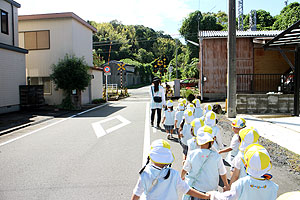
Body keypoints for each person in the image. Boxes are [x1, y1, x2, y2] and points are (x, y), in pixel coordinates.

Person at [131, 139, 211, 200]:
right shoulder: (174, 174)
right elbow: (187, 190)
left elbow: (136, 194)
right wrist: (205, 196)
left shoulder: (145, 173)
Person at [209, 144, 278, 200]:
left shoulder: (241, 183)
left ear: (246, 165)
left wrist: (213, 195)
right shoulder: (273, 187)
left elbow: (228, 197)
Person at [181, 126, 230, 200]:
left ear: (198, 142)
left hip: (196, 190)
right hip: (211, 191)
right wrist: (226, 185)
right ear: (212, 142)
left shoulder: (192, 154)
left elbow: (185, 169)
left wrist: (181, 177)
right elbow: (222, 172)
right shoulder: (216, 156)